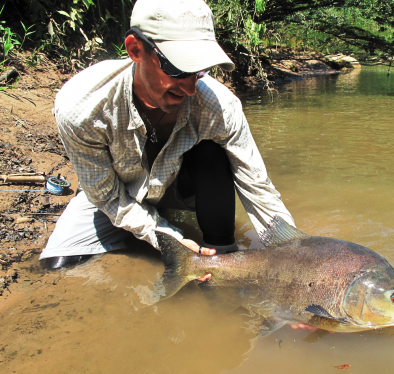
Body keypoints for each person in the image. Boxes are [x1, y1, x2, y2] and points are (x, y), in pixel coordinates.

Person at [39, 0, 295, 271]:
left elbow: (258, 189)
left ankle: (222, 256)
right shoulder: (82, 107)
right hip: (119, 193)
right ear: (135, 49)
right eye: (177, 68)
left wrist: (296, 258)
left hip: (181, 188)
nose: (190, 88)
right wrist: (168, 237)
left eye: (200, 71)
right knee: (57, 266)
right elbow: (107, 196)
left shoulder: (220, 107)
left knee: (213, 151)